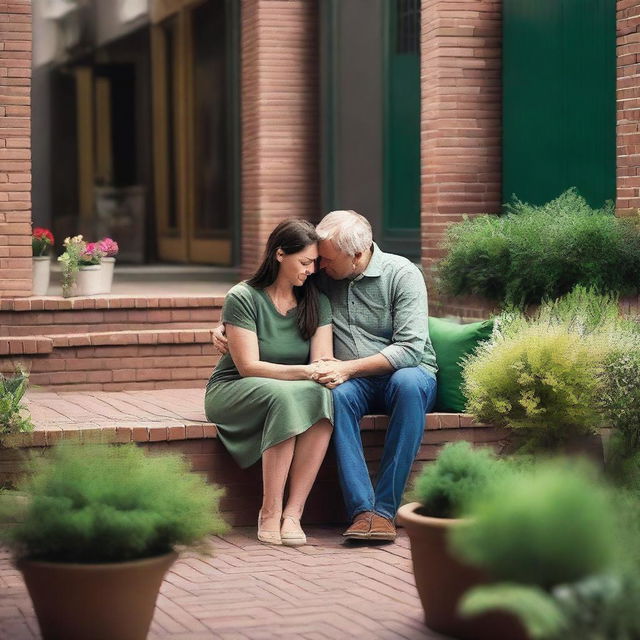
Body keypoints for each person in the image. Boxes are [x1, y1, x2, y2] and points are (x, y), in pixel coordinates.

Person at [214, 210, 437, 542]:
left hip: (405, 373)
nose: (319, 267)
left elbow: (409, 351)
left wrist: (345, 368)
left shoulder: (402, 274)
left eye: (326, 261)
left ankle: (385, 510)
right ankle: (362, 511)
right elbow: (268, 286)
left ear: (357, 255)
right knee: (335, 397)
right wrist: (225, 326)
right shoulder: (322, 275)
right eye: (316, 261)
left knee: (406, 384)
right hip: (352, 382)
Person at [204, 219, 334, 547]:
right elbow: (248, 366)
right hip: (234, 388)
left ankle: (293, 513)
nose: (311, 270)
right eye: (304, 262)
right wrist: (306, 373)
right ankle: (269, 510)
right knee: (288, 396)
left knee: (322, 397)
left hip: (287, 389)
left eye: (315, 263)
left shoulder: (316, 302)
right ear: (279, 254)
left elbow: (321, 362)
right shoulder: (243, 296)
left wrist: (312, 373)